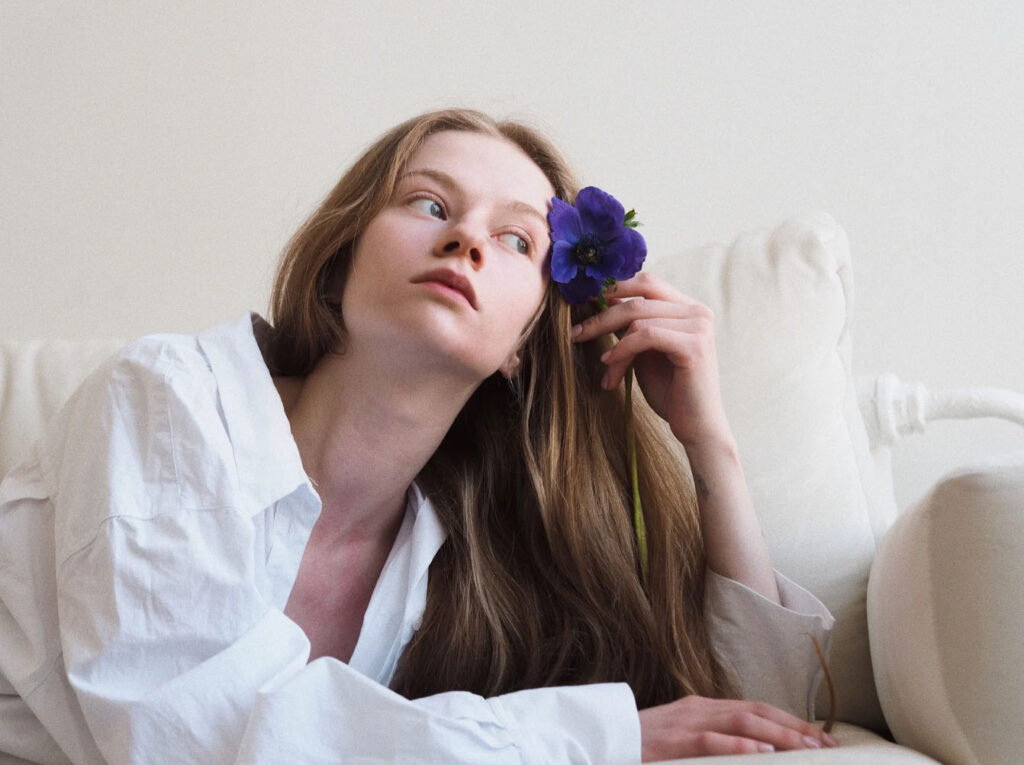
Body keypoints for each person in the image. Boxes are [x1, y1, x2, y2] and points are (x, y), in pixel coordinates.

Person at [0, 108, 836, 764]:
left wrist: (708, 445)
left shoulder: (466, 564)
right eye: (429, 203)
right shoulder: (169, 401)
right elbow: (195, 739)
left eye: (516, 239)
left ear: (522, 345)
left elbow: (756, 724)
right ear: (340, 264)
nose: (467, 238)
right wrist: (589, 734)